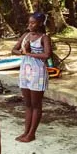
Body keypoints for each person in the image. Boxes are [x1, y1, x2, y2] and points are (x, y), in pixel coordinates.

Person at [12, 12, 52, 142]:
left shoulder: (44, 38)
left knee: (36, 104)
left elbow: (47, 55)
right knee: (28, 104)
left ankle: (31, 133)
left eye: (33, 23)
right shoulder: (26, 35)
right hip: (25, 72)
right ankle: (26, 132)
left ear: (40, 24)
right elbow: (14, 50)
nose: (29, 25)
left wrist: (28, 53)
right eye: (29, 23)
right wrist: (23, 52)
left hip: (37, 73)